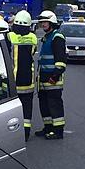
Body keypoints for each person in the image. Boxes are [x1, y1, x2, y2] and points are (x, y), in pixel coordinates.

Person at [36, 9, 67, 139]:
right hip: (43, 78)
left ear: (52, 23)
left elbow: (61, 61)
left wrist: (54, 76)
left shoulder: (57, 37)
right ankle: (48, 128)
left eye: (45, 22)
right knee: (44, 105)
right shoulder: (46, 38)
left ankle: (58, 131)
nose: (43, 24)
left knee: (54, 105)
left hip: (53, 79)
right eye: (42, 22)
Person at [7, 10, 38, 140]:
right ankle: (26, 132)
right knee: (27, 107)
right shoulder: (33, 38)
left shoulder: (9, 36)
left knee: (12, 109)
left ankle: (12, 132)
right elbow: (33, 51)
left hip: (13, 81)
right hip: (28, 81)